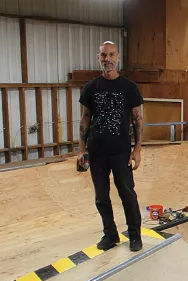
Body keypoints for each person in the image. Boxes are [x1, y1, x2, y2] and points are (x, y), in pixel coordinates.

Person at [78, 41, 144, 252]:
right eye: (103, 55)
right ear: (99, 58)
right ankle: (110, 235)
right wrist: (81, 149)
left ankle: (135, 235)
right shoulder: (91, 88)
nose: (107, 59)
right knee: (101, 197)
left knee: (127, 193)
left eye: (111, 55)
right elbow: (85, 119)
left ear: (118, 57)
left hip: (120, 151)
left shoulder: (129, 87)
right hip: (97, 152)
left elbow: (138, 120)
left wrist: (137, 149)